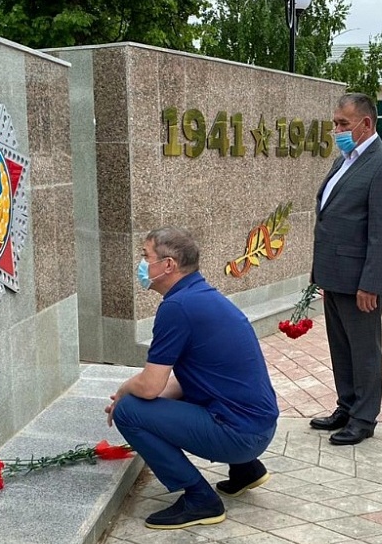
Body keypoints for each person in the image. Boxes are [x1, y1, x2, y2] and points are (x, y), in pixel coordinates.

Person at [106, 226, 279, 529]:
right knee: (164, 397)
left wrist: (124, 392)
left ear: (168, 265)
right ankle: (245, 471)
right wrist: (149, 400)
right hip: (260, 428)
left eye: (146, 256)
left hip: (239, 435)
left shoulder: (177, 307)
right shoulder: (201, 295)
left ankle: (201, 500)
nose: (141, 265)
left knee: (128, 411)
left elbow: (150, 386)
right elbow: (186, 381)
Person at [308, 93, 382, 446]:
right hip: (335, 275)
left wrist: (371, 283)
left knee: (363, 350)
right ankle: (347, 406)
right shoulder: (345, 160)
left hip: (360, 281)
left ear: (366, 124)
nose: (337, 131)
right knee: (341, 347)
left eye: (343, 124)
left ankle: (364, 418)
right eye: (335, 124)